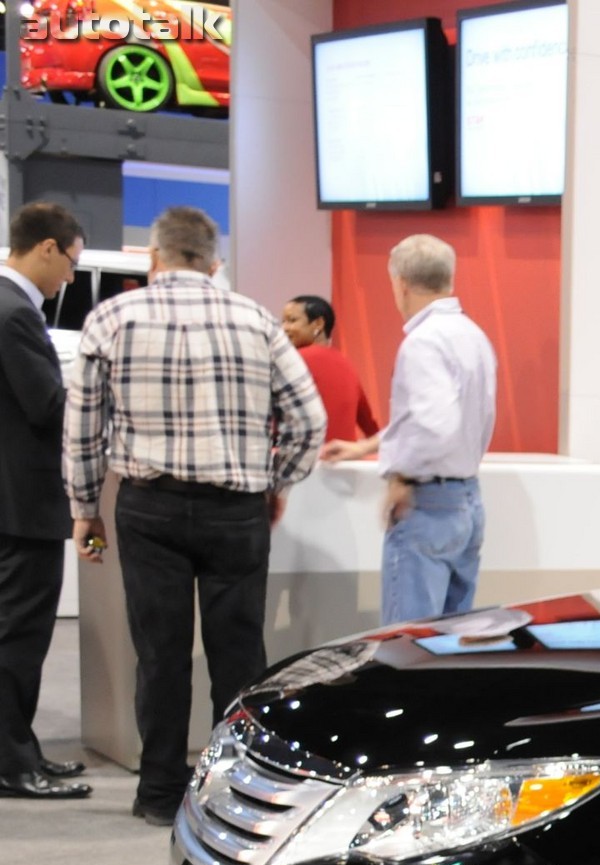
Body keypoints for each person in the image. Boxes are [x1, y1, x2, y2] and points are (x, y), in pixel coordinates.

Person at [67, 206, 323, 827]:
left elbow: (82, 428)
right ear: (215, 262)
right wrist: (275, 481)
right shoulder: (258, 318)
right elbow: (309, 420)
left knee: (160, 653)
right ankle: (236, 794)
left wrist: (83, 509)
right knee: (239, 655)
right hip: (236, 511)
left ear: (155, 258)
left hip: (148, 508)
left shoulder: (112, 317)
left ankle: (158, 792)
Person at [321, 235, 499, 626]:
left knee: (409, 648)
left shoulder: (423, 342)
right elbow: (445, 418)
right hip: (467, 501)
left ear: (400, 283)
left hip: (428, 505)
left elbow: (434, 423)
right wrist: (365, 445)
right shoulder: (473, 335)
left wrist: (401, 477)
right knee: (449, 646)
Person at [0, 201, 88, 802]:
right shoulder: (14, 315)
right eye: (72, 263)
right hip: (21, 505)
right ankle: (12, 762)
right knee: (19, 636)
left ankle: (20, 749)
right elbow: (47, 407)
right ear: (48, 248)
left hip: (16, 502)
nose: (72, 279)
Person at [280, 294, 377, 447]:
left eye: (292, 320)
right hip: (342, 462)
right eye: (283, 321)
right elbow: (371, 427)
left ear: (318, 323)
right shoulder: (347, 364)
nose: (284, 328)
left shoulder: (293, 361)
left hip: (303, 462)